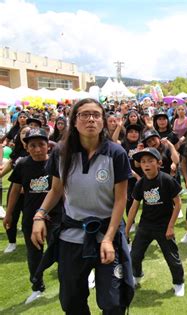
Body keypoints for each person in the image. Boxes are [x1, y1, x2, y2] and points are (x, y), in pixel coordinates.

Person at [31, 98, 134, 314]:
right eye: (84, 114)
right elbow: (56, 190)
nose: (91, 119)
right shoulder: (61, 152)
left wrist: (108, 238)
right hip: (72, 235)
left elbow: (120, 199)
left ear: (104, 121)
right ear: (74, 121)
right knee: (71, 301)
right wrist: (40, 216)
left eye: (96, 115)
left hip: (107, 233)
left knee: (114, 302)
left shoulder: (116, 153)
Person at [3, 128, 62, 304]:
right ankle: (37, 287)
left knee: (60, 249)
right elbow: (14, 191)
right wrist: (9, 214)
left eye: (41, 145)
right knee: (34, 254)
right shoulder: (22, 165)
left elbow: (63, 190)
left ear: (48, 146)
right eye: (33, 145)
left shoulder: (55, 163)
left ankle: (70, 280)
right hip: (31, 217)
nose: (37, 149)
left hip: (55, 215)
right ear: (26, 147)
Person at [126, 147, 185, 296]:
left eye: (150, 161)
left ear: (158, 163)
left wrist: (171, 227)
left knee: (172, 257)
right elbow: (134, 207)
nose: (146, 164)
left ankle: (179, 283)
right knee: (135, 255)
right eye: (143, 162)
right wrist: (126, 230)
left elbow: (178, 204)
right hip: (145, 225)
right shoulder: (140, 184)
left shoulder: (167, 180)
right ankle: (137, 276)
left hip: (164, 226)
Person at [1, 125, 30, 253]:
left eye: (28, 133)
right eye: (23, 133)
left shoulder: (37, 150)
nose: (25, 135)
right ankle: (12, 242)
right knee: (11, 214)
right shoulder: (16, 152)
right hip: (16, 189)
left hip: (32, 190)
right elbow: (8, 168)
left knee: (30, 218)